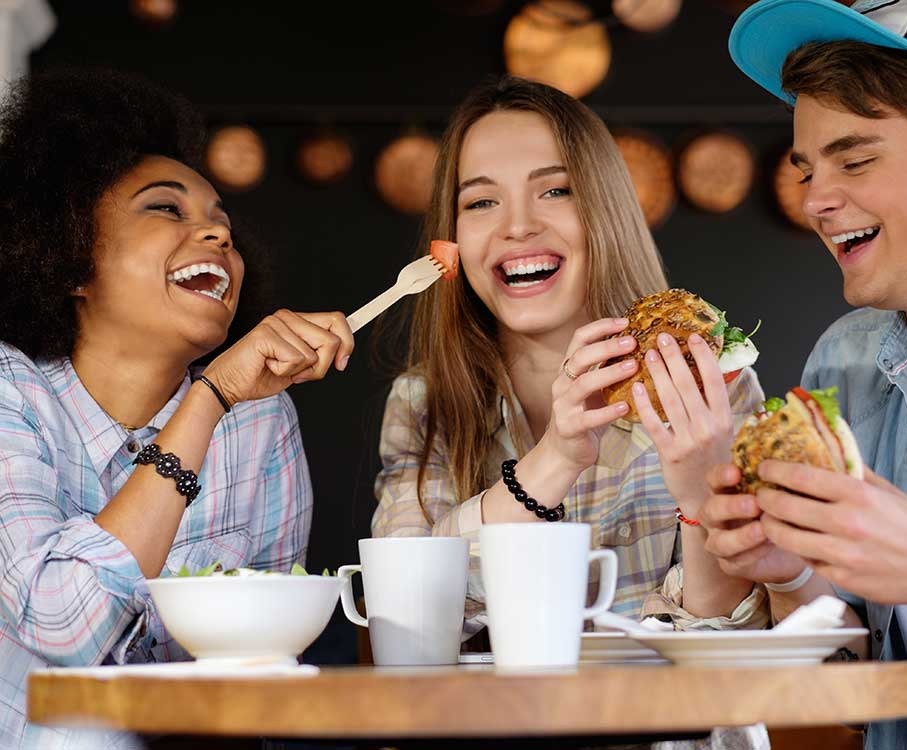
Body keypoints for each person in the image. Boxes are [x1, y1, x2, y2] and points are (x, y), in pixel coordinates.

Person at [372, 76, 770, 750]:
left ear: (607, 211)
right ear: (454, 240)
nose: (518, 225)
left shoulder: (713, 385)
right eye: (481, 201)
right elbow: (406, 613)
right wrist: (554, 457)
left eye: (556, 190)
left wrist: (705, 493)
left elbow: (727, 657)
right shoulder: (424, 402)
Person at [702, 1, 907, 748]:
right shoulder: (844, 363)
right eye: (808, 169)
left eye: (854, 160)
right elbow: (842, 698)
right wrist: (792, 577)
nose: (815, 199)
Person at [0, 69, 353, 749]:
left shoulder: (259, 420)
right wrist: (208, 399)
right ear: (67, 254)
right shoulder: (11, 389)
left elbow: (262, 663)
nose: (218, 236)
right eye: (166, 209)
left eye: (222, 221)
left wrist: (225, 401)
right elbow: (66, 628)